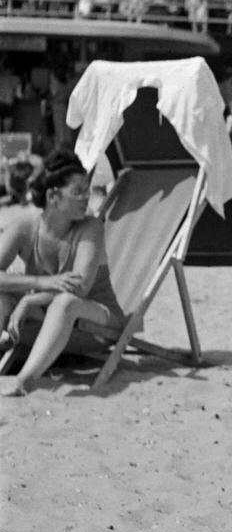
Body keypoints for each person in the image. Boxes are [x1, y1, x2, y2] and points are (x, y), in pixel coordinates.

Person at [0, 153, 127, 396]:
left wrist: (30, 299)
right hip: (46, 323)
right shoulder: (24, 228)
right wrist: (38, 282)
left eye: (87, 190)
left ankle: (24, 381)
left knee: (65, 301)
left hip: (96, 324)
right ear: (52, 196)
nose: (86, 196)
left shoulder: (91, 228)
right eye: (77, 191)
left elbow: (79, 288)